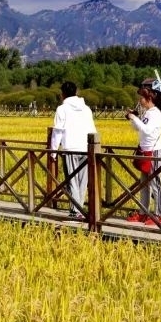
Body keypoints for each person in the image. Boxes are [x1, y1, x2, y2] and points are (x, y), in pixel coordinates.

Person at [49, 81, 97, 220]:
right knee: (82, 181)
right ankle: (79, 209)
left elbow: (57, 131)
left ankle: (75, 211)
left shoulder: (62, 109)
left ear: (62, 94)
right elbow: (92, 129)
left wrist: (53, 151)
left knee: (72, 181)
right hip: (85, 148)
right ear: (76, 92)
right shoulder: (86, 108)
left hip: (70, 147)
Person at [126, 85, 161, 226]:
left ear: (149, 98)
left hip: (154, 151)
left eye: (142, 97)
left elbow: (148, 130)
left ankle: (159, 215)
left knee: (156, 183)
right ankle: (143, 213)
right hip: (145, 150)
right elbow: (138, 128)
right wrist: (134, 118)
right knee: (144, 184)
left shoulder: (155, 114)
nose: (140, 100)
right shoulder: (147, 113)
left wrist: (134, 117)